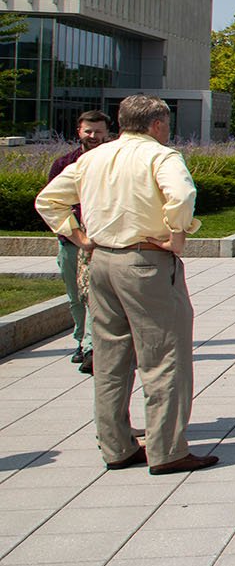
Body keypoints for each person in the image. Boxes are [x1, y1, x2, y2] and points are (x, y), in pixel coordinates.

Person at [36, 95, 216, 474]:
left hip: (102, 260)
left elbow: (48, 199)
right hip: (145, 260)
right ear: (156, 125)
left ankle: (116, 445)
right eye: (166, 124)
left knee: (110, 359)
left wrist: (78, 236)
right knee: (165, 356)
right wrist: (177, 233)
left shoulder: (92, 157)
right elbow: (182, 195)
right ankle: (167, 449)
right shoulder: (161, 156)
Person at [47, 110, 110, 373]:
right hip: (73, 241)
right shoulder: (64, 164)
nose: (93, 136)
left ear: (107, 132)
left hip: (104, 242)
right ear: (79, 132)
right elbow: (52, 202)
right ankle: (81, 340)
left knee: (98, 296)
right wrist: (77, 231)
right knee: (76, 296)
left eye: (98, 131)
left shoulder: (112, 162)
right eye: (88, 131)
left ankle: (91, 347)